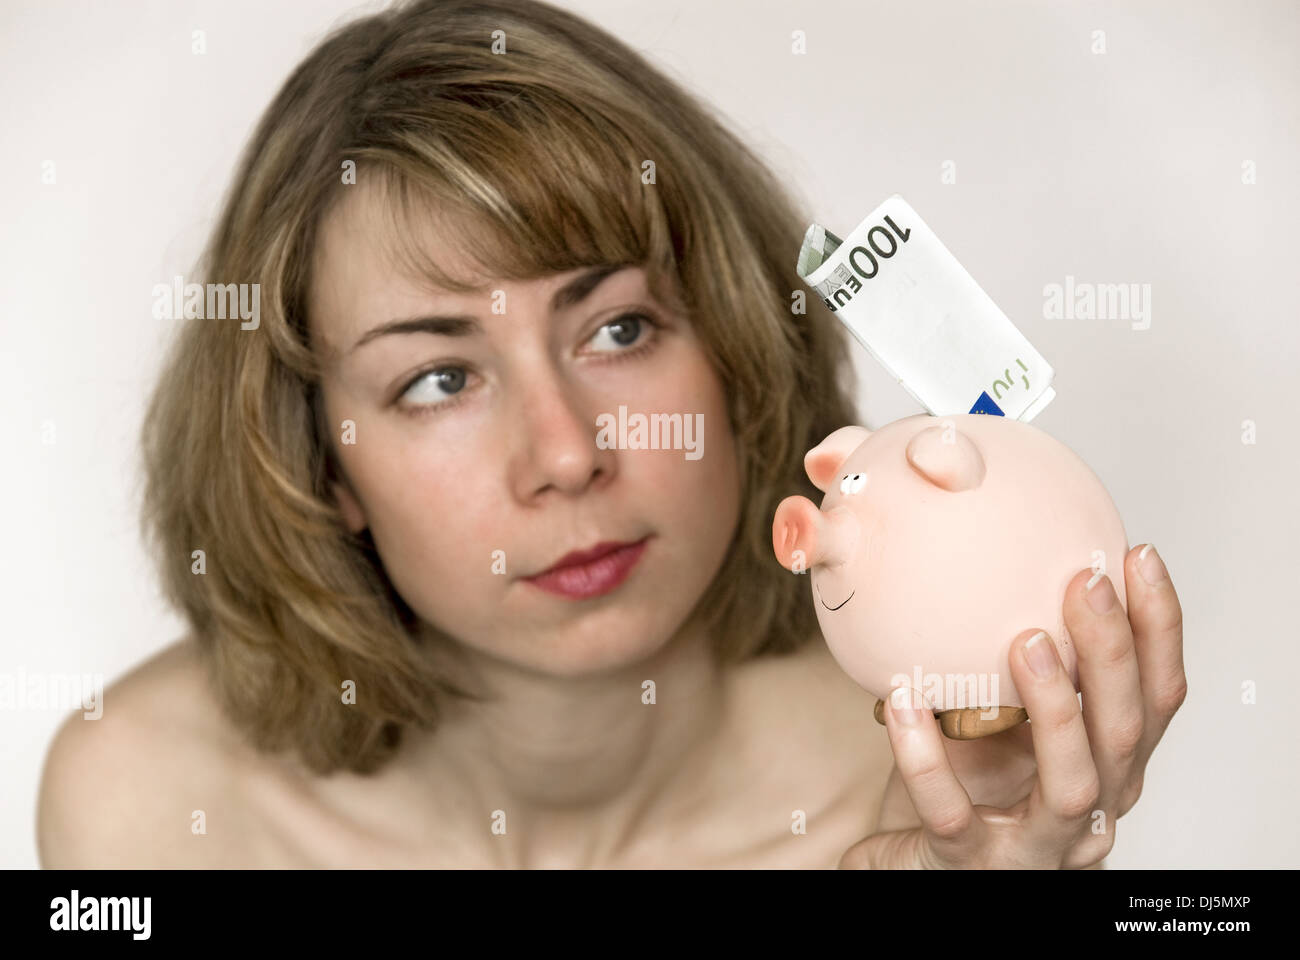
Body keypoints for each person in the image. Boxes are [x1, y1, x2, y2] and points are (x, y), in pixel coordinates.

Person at [35, 0, 1185, 869]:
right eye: (437, 379)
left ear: (732, 351)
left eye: (620, 327)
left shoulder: (931, 785)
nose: (569, 452)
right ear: (320, 461)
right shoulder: (146, 808)